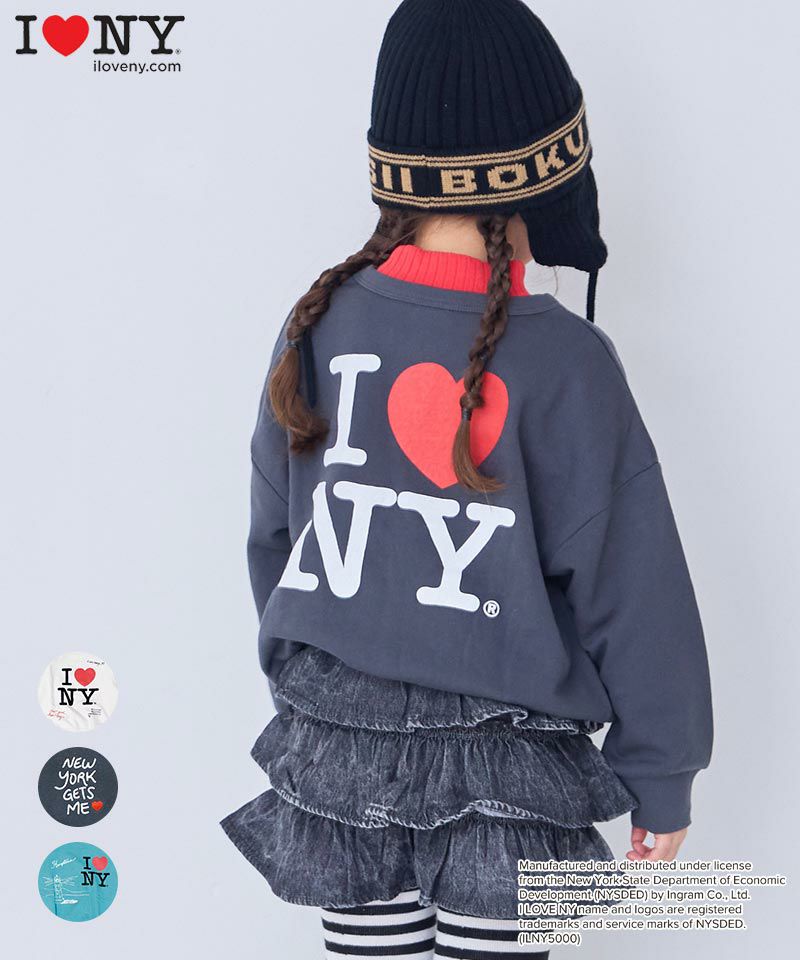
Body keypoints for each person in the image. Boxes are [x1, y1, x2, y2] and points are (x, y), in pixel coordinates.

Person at [222, 2, 713, 957]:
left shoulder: (317, 322)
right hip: (511, 771)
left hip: (342, 756)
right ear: (547, 177)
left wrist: (305, 686)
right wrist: (662, 775)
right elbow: (636, 588)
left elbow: (275, 537)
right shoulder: (568, 362)